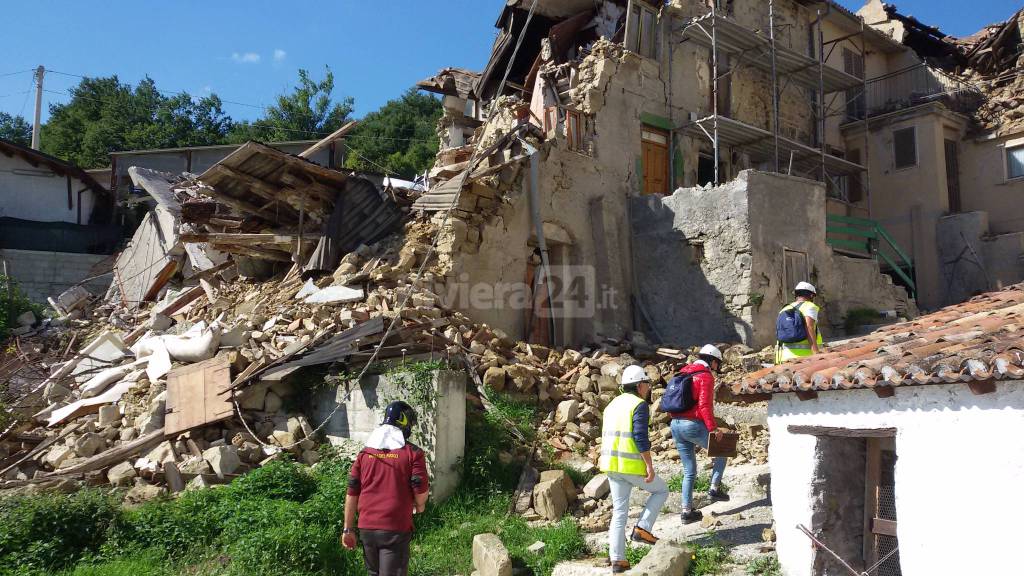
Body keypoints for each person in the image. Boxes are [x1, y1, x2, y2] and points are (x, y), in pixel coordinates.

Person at [343, 401, 429, 576]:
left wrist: (347, 529)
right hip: (394, 529)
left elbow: (352, 492)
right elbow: (420, 490)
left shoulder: (364, 454)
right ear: (405, 424)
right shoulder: (413, 453)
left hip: (366, 529)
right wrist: (420, 506)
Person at [599, 365, 669, 574]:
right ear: (639, 386)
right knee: (661, 490)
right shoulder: (638, 405)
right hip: (630, 466)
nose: (648, 388)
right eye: (647, 384)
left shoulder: (612, 405)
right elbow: (640, 437)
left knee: (619, 513)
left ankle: (618, 561)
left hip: (611, 466)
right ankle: (643, 528)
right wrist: (649, 465)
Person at [669, 344, 729, 525]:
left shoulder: (683, 372)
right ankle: (714, 488)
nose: (718, 367)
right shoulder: (705, 376)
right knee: (723, 450)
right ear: (712, 361)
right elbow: (704, 406)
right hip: (692, 425)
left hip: (675, 425)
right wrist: (713, 429)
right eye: (717, 363)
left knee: (689, 471)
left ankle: (687, 512)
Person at [775, 281, 825, 363]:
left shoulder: (784, 309)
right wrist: (816, 353)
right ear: (811, 295)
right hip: (802, 358)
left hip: (783, 356)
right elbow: (809, 327)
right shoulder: (810, 306)